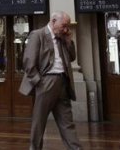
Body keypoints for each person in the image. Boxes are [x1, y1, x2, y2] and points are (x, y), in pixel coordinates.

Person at [19, 11, 81, 150]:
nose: (66, 29)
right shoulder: (38, 35)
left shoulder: (62, 37)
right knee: (39, 122)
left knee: (67, 123)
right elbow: (28, 62)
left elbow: (72, 57)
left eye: (67, 26)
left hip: (63, 83)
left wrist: (69, 41)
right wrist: (39, 82)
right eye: (64, 26)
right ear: (53, 21)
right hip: (46, 82)